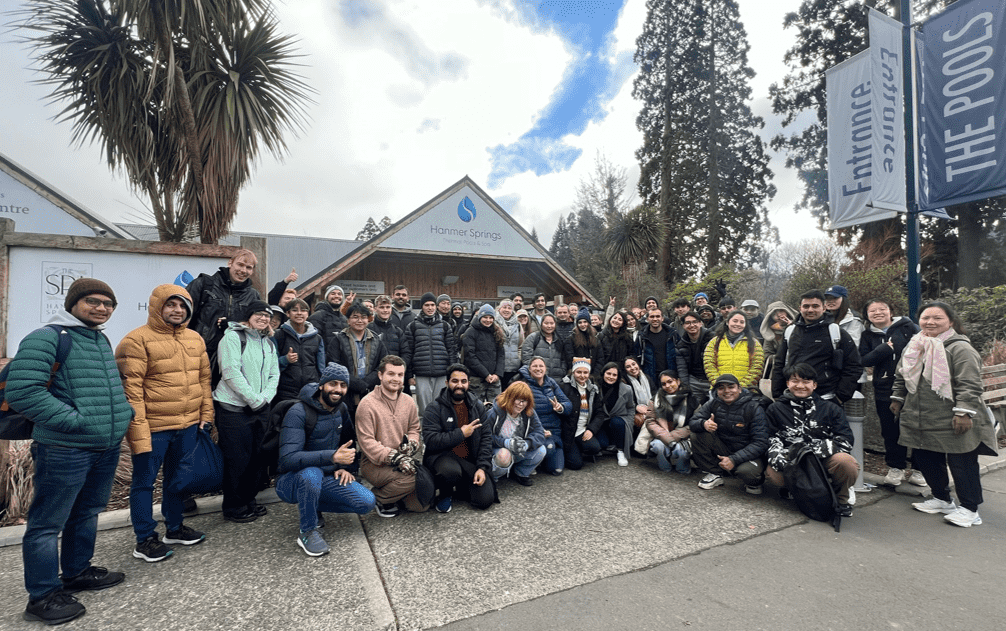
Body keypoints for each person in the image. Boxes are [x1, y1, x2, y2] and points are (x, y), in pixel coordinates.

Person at [8, 278, 132, 625]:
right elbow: (23, 391)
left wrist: (123, 416)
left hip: (103, 446)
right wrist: (73, 421)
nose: (102, 308)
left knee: (87, 511)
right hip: (64, 447)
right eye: (93, 301)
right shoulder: (47, 338)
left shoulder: (99, 339)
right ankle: (43, 596)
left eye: (109, 304)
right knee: (47, 523)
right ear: (73, 302)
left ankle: (77, 572)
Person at [116, 285, 212, 564]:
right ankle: (145, 538)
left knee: (176, 481)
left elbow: (203, 382)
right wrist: (138, 429)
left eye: (182, 306)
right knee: (144, 483)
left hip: (188, 425)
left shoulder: (195, 339)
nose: (177, 310)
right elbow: (131, 391)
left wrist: (206, 416)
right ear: (158, 306)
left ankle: (174, 527)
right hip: (154, 427)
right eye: (171, 305)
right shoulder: (136, 341)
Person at [892, 302, 998, 528]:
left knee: (962, 462)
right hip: (921, 416)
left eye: (937, 318)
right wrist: (897, 398)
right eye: (925, 317)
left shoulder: (959, 348)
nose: (930, 322)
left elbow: (969, 383)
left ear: (951, 321)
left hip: (953, 415)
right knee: (927, 458)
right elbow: (901, 374)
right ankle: (942, 498)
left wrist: (964, 412)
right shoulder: (915, 344)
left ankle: (970, 509)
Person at [276, 363, 376, 556]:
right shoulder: (298, 412)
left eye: (343, 385)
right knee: (312, 474)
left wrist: (345, 467)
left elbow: (349, 444)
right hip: (290, 481)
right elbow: (287, 459)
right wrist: (331, 457)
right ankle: (308, 531)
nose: (338, 389)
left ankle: (311, 505)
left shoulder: (341, 409)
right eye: (333, 384)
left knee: (367, 502)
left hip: (325, 475)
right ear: (321, 385)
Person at [214, 300, 280, 523]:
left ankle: (249, 499)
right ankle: (234, 506)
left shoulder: (268, 343)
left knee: (256, 458)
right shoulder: (233, 337)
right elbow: (230, 372)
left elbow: (274, 374)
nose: (263, 319)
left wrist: (265, 399)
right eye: (259, 314)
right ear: (249, 316)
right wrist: (254, 400)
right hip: (233, 409)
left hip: (260, 407)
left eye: (267, 316)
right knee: (237, 460)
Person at [765, 363, 859, 516]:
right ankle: (797, 492)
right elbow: (770, 437)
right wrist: (779, 457)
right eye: (795, 381)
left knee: (846, 463)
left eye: (806, 381)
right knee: (773, 472)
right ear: (788, 383)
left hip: (823, 458)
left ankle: (841, 499)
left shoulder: (831, 408)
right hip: (792, 459)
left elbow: (845, 440)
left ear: (814, 385)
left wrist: (811, 452)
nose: (800, 385)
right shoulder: (775, 409)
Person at [859, 298, 923, 487]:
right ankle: (896, 467)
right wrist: (883, 350)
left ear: (891, 311)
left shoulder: (908, 328)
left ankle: (919, 470)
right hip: (884, 387)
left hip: (913, 386)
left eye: (882, 309)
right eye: (873, 311)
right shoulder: (867, 335)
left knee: (915, 427)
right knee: (890, 430)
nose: (878, 313)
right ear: (867, 315)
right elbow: (864, 360)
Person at [355, 355, 428, 517]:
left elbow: (415, 429)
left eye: (400, 375)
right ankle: (379, 498)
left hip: (404, 458)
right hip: (375, 464)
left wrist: (412, 443)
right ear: (380, 375)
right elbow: (367, 442)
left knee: (420, 506)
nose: (396, 379)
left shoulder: (408, 401)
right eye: (391, 374)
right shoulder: (367, 405)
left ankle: (395, 494)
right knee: (414, 479)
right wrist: (396, 458)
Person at [422, 364, 496, 512]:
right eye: (455, 381)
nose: (459, 385)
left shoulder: (477, 406)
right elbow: (430, 440)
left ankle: (462, 486)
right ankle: (445, 493)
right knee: (450, 471)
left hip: (468, 460)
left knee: (485, 500)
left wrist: (482, 468)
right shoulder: (434, 407)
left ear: (468, 383)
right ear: (447, 383)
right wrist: (460, 434)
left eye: (464, 381)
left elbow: (486, 438)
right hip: (442, 457)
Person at [771, 290, 862, 404]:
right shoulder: (790, 331)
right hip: (793, 396)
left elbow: (853, 365)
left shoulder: (835, 332)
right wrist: (777, 394)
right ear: (800, 308)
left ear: (824, 308)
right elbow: (780, 363)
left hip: (827, 398)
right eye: (806, 306)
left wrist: (841, 396)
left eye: (815, 306)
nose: (810, 310)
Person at [186, 249, 261, 385]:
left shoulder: (253, 296)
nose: (243, 270)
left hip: (234, 361)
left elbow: (255, 329)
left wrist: (234, 325)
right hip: (199, 356)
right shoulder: (204, 284)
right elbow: (183, 319)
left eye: (248, 267)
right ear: (230, 263)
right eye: (240, 265)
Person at [688, 374, 768, 494]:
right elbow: (693, 422)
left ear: (739, 389)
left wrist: (734, 459)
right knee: (697, 434)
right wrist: (703, 424)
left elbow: (761, 442)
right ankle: (715, 473)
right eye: (721, 388)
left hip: (747, 453)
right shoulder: (714, 403)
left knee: (749, 474)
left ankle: (747, 478)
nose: (726, 391)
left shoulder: (754, 407)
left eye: (731, 387)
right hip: (723, 448)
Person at [402, 292, 457, 415]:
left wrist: (452, 372)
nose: (430, 308)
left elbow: (451, 351)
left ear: (436, 306)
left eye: (432, 304)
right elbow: (409, 352)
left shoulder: (445, 326)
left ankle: (438, 432)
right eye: (427, 305)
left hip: (442, 373)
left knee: (441, 407)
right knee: (424, 409)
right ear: (422, 306)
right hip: (422, 374)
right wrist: (410, 375)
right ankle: (425, 433)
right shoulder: (413, 326)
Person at [328, 301, 388, 413]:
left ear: (368, 320)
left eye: (363, 317)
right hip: (345, 393)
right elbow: (334, 364)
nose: (360, 321)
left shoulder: (377, 340)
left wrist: (366, 383)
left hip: (371, 392)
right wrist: (355, 383)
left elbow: (383, 364)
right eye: (355, 317)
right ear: (348, 321)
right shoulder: (338, 340)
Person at [516, 357, 572, 475]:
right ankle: (529, 462)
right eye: (535, 366)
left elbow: (568, 405)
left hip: (553, 431)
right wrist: (539, 430)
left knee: (557, 470)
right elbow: (519, 412)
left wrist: (560, 407)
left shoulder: (551, 383)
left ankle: (541, 459)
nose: (538, 369)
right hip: (535, 429)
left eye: (541, 366)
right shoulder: (523, 385)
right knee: (549, 448)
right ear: (529, 369)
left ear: (545, 368)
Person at [485, 381, 547, 485]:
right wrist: (506, 443)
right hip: (497, 450)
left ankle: (521, 473)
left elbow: (539, 432)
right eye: (518, 399)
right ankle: (493, 476)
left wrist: (527, 444)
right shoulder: (494, 412)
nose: (521, 404)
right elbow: (485, 436)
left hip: (518, 449)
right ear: (509, 397)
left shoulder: (529, 411)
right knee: (504, 455)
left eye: (525, 401)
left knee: (541, 450)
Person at [273, 298, 326, 404]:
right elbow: (270, 364)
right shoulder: (278, 335)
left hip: (311, 389)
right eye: (294, 310)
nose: (299, 313)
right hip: (285, 391)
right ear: (288, 313)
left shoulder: (317, 338)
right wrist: (285, 359)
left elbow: (321, 367)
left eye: (303, 310)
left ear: (308, 313)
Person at [559, 359, 604, 470]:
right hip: (568, 432)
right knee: (576, 465)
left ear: (589, 374)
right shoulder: (564, 387)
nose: (582, 375)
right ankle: (569, 449)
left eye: (585, 372)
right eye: (579, 372)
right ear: (573, 372)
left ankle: (578, 447)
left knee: (595, 447)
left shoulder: (593, 389)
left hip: (582, 430)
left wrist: (591, 430)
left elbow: (600, 413)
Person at [645, 371, 693, 474]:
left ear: (678, 381)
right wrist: (667, 438)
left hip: (683, 437)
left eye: (670, 381)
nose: (667, 386)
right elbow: (650, 422)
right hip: (662, 435)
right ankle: (664, 466)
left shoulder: (691, 399)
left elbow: (695, 422)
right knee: (658, 446)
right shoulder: (655, 400)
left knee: (681, 450)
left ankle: (683, 467)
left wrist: (673, 436)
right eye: (664, 384)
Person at [703, 310, 764, 390]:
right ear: (727, 322)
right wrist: (720, 385)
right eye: (735, 321)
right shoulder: (714, 342)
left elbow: (757, 367)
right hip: (719, 390)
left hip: (746, 391)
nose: (738, 324)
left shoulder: (754, 343)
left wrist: (740, 387)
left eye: (742, 322)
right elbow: (709, 365)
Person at [462, 304, 505, 403]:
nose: (488, 320)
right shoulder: (470, 332)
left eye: (491, 318)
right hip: (476, 379)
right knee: (476, 408)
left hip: (494, 379)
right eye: (485, 317)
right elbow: (470, 356)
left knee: (497, 407)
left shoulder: (497, 331)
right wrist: (485, 374)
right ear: (480, 317)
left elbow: (501, 355)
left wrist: (498, 374)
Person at [594, 362, 635, 466]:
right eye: (608, 373)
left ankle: (620, 451)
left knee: (616, 422)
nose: (611, 377)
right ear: (603, 373)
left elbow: (631, 407)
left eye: (614, 375)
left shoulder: (627, 389)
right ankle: (611, 444)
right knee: (601, 444)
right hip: (601, 422)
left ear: (618, 376)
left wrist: (629, 423)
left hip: (619, 420)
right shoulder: (595, 387)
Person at [675, 310, 713, 406]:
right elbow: (682, 368)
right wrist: (686, 387)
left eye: (695, 322)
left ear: (700, 323)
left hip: (711, 380)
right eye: (688, 323)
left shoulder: (712, 338)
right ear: (683, 326)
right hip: (694, 381)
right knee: (694, 410)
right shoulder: (681, 344)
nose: (692, 325)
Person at [639, 308, 678, 388]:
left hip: (671, 375)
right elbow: (637, 356)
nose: (655, 319)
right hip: (650, 376)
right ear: (647, 319)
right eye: (652, 317)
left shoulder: (672, 334)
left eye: (657, 316)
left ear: (662, 318)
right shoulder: (641, 337)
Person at [521, 313, 566, 380]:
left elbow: (564, 359)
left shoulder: (559, 340)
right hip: (537, 378)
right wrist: (536, 371)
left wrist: (562, 371)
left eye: (552, 323)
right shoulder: (533, 338)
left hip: (557, 379)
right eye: (546, 323)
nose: (549, 326)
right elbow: (526, 358)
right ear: (541, 324)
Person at [563, 308, 602, 380]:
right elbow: (569, 358)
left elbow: (600, 358)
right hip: (577, 375)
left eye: (585, 322)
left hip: (592, 375)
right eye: (580, 322)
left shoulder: (595, 338)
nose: (582, 324)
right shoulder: (571, 339)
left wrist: (594, 374)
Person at [495, 299, 525, 387]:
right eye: (504, 307)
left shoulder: (518, 325)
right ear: (499, 309)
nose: (506, 310)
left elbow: (521, 345)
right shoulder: (494, 323)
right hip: (498, 368)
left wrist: (518, 358)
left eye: (509, 308)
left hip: (514, 367)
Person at [623, 357, 653, 443]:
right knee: (639, 420)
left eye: (634, 364)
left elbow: (654, 392)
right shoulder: (624, 381)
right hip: (633, 410)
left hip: (650, 407)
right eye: (628, 367)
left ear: (638, 364)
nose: (632, 368)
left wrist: (651, 406)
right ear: (625, 370)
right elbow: (625, 400)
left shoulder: (646, 377)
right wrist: (636, 407)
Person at [759, 301, 796, 368]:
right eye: (774, 314)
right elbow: (766, 354)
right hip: (779, 367)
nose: (779, 315)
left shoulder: (799, 327)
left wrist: (793, 327)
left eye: (781, 311)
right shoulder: (770, 333)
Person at [369, 295, 405, 361]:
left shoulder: (398, 331)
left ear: (391, 309)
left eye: (388, 307)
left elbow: (406, 353)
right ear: (375, 309)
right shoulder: (368, 329)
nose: (385, 310)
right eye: (382, 307)